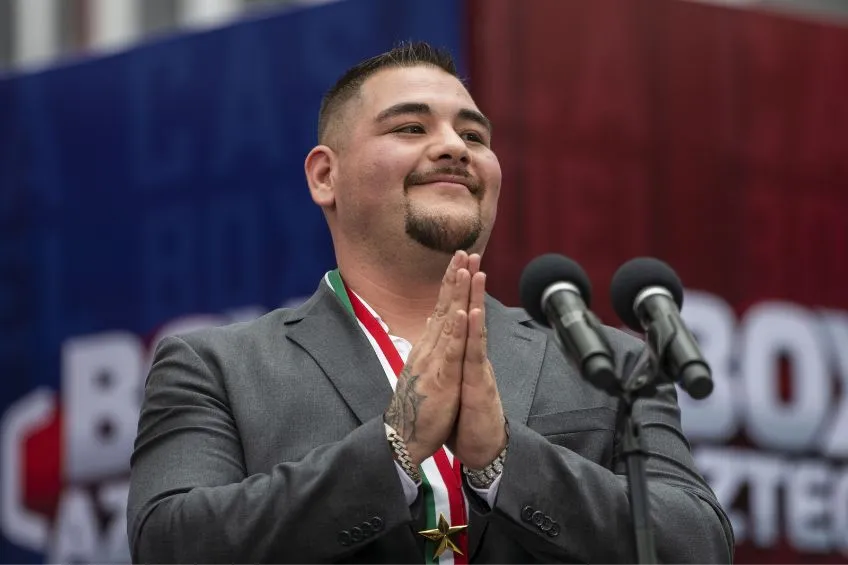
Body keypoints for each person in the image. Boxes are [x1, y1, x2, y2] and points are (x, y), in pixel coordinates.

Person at [127, 41, 734, 563]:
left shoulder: (612, 364)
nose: (455, 148)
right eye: (410, 128)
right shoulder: (217, 368)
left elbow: (698, 546)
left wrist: (505, 458)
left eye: (473, 134)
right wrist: (394, 444)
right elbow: (169, 546)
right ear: (324, 177)